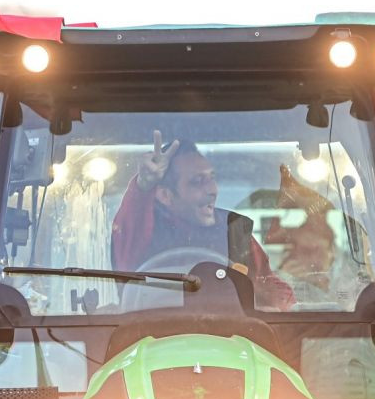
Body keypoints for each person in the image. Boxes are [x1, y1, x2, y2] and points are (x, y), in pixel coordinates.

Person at [111, 131, 294, 309]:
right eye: (197, 181)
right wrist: (144, 184)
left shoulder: (234, 231)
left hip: (231, 337)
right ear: (166, 196)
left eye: (211, 178)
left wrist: (267, 297)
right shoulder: (143, 232)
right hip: (150, 335)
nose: (212, 189)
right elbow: (132, 221)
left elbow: (275, 290)